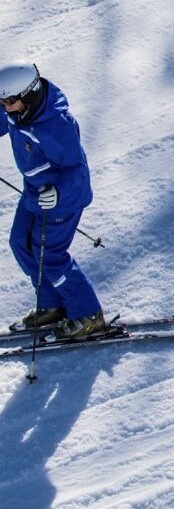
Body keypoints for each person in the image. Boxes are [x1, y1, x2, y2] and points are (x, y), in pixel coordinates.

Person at [1, 62, 106, 339]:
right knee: (21, 244)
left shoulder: (56, 125)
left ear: (29, 93)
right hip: (34, 192)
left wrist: (58, 192)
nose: (5, 106)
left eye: (9, 101)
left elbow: (77, 170)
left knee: (50, 256)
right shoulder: (18, 110)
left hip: (63, 199)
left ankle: (89, 314)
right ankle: (52, 304)